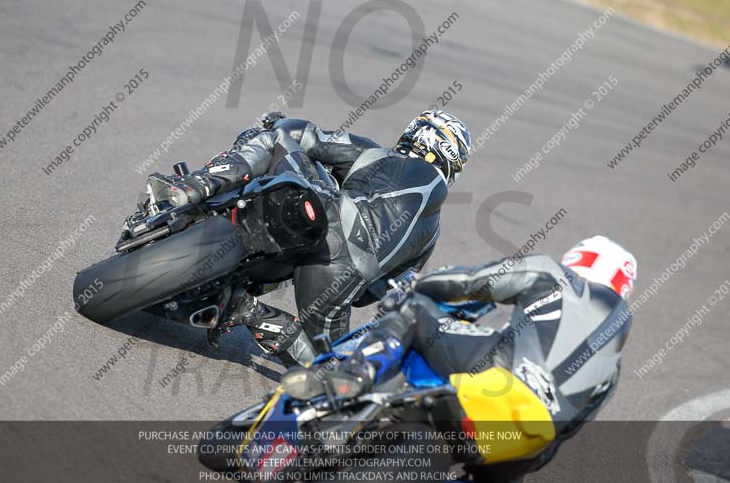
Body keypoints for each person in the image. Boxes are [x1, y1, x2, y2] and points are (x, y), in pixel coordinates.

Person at [293, 235, 637, 481]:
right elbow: (567, 432)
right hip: (528, 442)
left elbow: (470, 282)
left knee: (414, 311)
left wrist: (419, 286)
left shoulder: (555, 275)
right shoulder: (614, 367)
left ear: (578, 260)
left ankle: (354, 376)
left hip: (499, 379)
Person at [166, 109, 471, 366]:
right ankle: (250, 312)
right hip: (339, 281)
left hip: (326, 221)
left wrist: (278, 123)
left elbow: (308, 137)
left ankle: (197, 185)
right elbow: (375, 293)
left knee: (276, 141)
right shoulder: (432, 234)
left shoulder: (377, 155)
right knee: (329, 369)